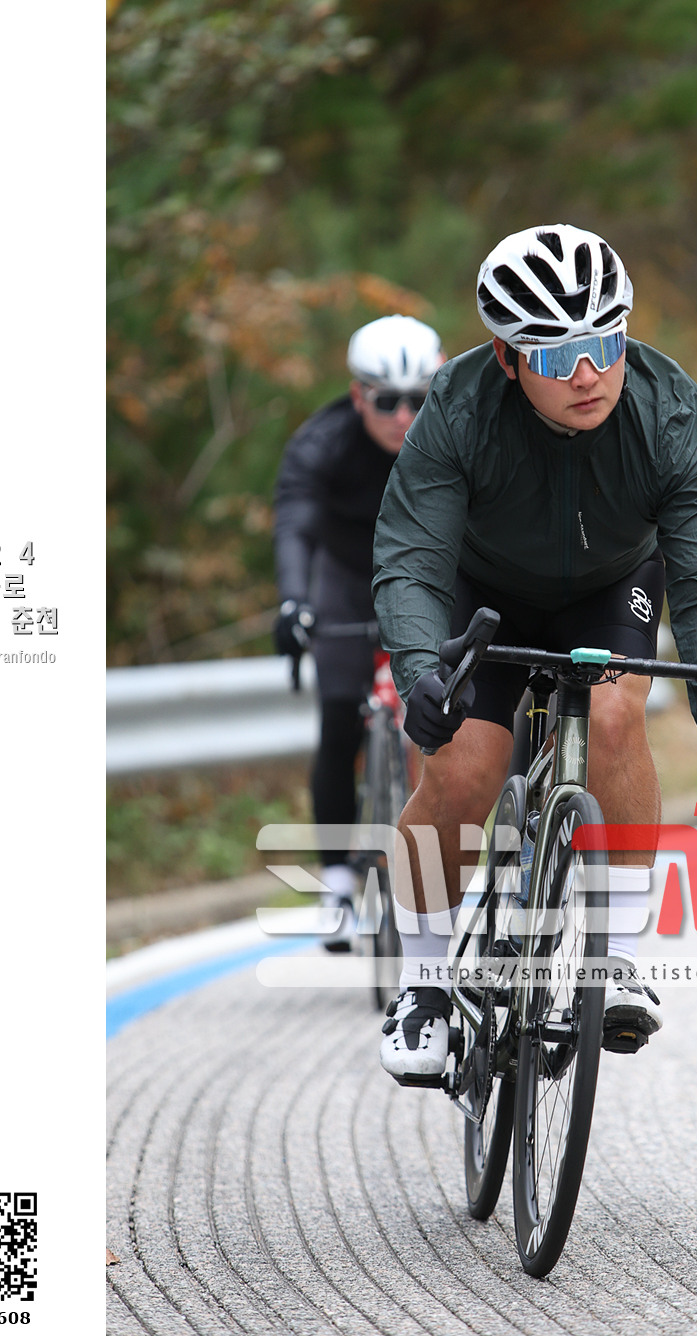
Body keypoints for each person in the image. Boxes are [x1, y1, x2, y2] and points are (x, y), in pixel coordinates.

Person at [370, 223, 697, 1084]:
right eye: (556, 356)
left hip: (609, 586)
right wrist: (422, 672)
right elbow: (413, 559)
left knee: (616, 715)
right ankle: (425, 980)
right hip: (481, 594)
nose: (588, 374)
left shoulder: (668, 409)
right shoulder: (459, 409)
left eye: (604, 344)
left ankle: (615, 958)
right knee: (463, 769)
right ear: (508, 360)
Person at [272, 314, 444, 949]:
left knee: (456, 714)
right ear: (356, 396)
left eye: (419, 400)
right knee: (339, 718)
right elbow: (295, 524)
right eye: (386, 401)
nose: (404, 417)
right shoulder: (322, 443)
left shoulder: (458, 435)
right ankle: (340, 882)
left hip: (429, 572)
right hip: (347, 578)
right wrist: (294, 601)